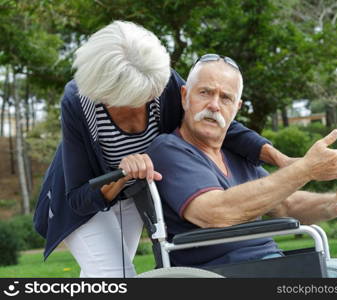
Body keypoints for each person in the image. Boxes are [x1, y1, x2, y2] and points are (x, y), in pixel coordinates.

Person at [33, 21, 295, 278]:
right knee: (115, 274)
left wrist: (282, 160)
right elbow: (79, 197)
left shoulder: (161, 81)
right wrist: (123, 174)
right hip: (88, 201)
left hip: (134, 195)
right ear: (106, 92)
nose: (143, 107)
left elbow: (220, 123)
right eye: (133, 100)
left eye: (149, 95)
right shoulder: (79, 102)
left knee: (102, 278)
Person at [147, 54, 337, 277]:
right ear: (184, 96)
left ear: (237, 108)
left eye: (225, 98)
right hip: (225, 274)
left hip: (270, 265)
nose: (214, 104)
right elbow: (214, 212)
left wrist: (334, 203)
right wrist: (306, 169)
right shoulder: (169, 149)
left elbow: (285, 205)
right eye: (205, 92)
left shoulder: (236, 154)